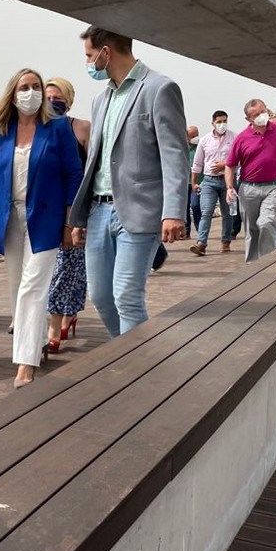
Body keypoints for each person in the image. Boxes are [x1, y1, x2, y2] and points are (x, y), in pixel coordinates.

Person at [69, 26, 187, 339]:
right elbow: (96, 161)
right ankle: (128, 354)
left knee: (126, 297)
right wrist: (81, 216)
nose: (88, 63)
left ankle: (135, 371)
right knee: (102, 298)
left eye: (90, 55)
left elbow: (175, 155)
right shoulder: (100, 99)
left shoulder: (160, 89)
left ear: (106, 52)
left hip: (138, 212)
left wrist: (173, 211)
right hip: (97, 212)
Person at [0, 68, 83, 389]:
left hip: (47, 220)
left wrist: (70, 223)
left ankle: (25, 363)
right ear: (13, 93)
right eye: (25, 87)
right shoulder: (2, 131)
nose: (31, 92)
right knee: (16, 289)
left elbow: (73, 177)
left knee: (32, 288)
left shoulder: (58, 129)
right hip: (8, 219)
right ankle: (35, 343)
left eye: (36, 86)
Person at [44, 77, 89, 353]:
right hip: (45, 207)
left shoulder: (81, 127)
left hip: (74, 209)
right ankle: (67, 316)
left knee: (66, 268)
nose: (51, 102)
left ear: (69, 100)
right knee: (52, 269)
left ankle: (54, 327)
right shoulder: (37, 129)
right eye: (47, 97)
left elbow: (92, 167)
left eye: (57, 97)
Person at [224, 98, 276, 262]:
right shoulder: (242, 138)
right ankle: (252, 266)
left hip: (275, 186)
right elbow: (230, 165)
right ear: (249, 119)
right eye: (256, 114)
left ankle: (266, 264)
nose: (261, 116)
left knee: (266, 223)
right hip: (248, 189)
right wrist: (229, 187)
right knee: (252, 230)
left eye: (263, 111)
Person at [190, 110, 236, 254]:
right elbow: (197, 163)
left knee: (227, 213)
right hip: (209, 181)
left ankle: (226, 241)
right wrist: (194, 182)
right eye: (219, 122)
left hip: (227, 181)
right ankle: (201, 243)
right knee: (206, 212)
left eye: (224, 121)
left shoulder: (234, 138)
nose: (222, 124)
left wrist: (225, 164)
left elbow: (240, 159)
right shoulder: (204, 140)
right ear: (213, 123)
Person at [184, 126, 203, 240]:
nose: (196, 138)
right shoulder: (182, 149)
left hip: (197, 182)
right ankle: (186, 231)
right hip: (185, 182)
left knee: (195, 205)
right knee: (184, 207)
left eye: (197, 134)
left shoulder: (201, 147)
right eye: (193, 136)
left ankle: (200, 230)